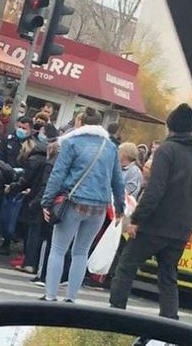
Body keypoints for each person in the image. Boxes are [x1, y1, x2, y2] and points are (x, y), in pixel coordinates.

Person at [109, 103, 192, 319]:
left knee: (126, 266)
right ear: (191, 128)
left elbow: (155, 190)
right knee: (168, 275)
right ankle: (170, 320)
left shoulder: (166, 150)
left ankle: (116, 315)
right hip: (181, 229)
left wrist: (136, 219)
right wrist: (190, 225)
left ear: (170, 126)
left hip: (155, 225)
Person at [39, 107, 125, 302]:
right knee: (81, 252)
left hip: (74, 202)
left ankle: (51, 295)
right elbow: (117, 180)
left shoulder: (72, 142)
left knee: (59, 249)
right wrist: (120, 208)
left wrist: (47, 201)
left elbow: (58, 174)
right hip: (99, 208)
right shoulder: (110, 147)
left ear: (80, 123)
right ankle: (71, 297)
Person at [9, 124, 58, 274]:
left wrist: (35, 201)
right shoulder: (50, 162)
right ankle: (34, 263)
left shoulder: (43, 161)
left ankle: (30, 262)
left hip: (38, 201)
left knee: (33, 234)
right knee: (41, 235)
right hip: (45, 201)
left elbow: (41, 184)